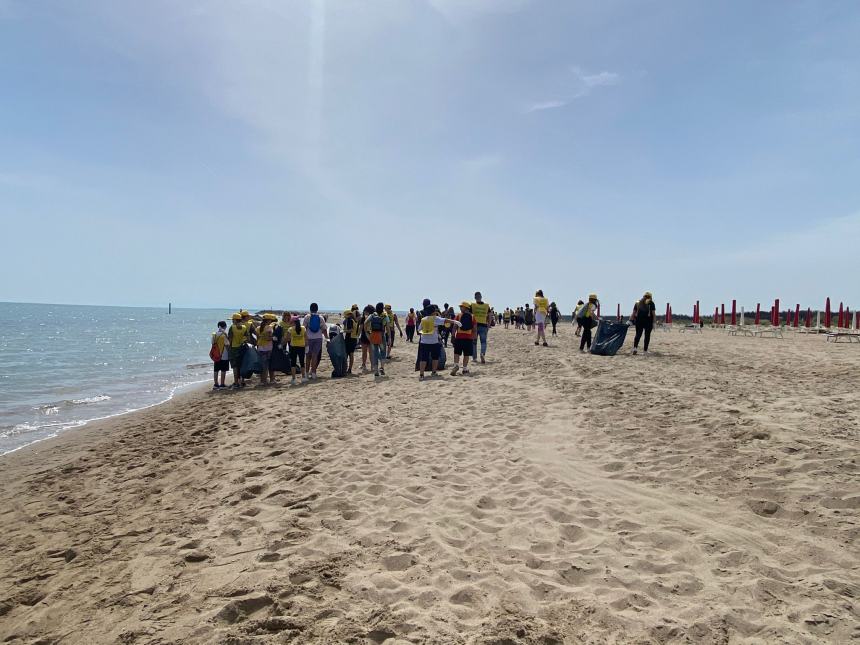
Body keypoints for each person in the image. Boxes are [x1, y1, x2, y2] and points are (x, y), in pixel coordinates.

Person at [417, 304, 460, 380]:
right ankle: (433, 372)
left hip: (424, 342)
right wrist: (455, 321)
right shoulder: (435, 318)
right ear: (434, 312)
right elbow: (445, 320)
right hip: (434, 342)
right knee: (435, 357)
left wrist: (426, 331)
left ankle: (421, 374)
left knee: (423, 359)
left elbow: (419, 329)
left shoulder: (423, 319)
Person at [303, 303, 328, 380]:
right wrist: (327, 338)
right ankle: (313, 373)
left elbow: (303, 328)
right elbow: (324, 329)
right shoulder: (320, 317)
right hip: (318, 339)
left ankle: (306, 374)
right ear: (317, 309)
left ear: (310, 309)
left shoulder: (307, 317)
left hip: (308, 339)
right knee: (315, 356)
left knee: (308, 357)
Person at [227, 313, 251, 388]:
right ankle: (242, 381)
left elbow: (230, 340)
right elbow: (248, 338)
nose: (232, 321)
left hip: (233, 348)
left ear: (235, 320)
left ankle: (236, 382)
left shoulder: (232, 328)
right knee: (241, 365)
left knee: (235, 366)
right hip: (242, 348)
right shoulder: (244, 327)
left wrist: (228, 348)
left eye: (232, 320)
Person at [451, 301, 475, 375]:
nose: (460, 308)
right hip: (468, 338)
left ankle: (456, 365)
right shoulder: (472, 317)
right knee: (466, 354)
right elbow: (474, 328)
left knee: (457, 353)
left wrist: (452, 336)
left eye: (461, 306)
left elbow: (455, 327)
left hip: (459, 337)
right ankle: (464, 369)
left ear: (466, 308)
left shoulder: (458, 316)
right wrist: (474, 338)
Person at [364, 303, 387, 377]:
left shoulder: (372, 315)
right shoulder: (384, 316)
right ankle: (382, 368)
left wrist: (367, 333)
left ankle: (376, 371)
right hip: (381, 336)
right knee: (383, 352)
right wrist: (389, 337)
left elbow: (365, 323)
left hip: (373, 336)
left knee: (375, 353)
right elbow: (388, 327)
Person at [256, 313, 277, 385]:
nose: (271, 321)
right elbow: (268, 338)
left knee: (262, 365)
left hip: (260, 347)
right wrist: (274, 338)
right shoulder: (269, 328)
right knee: (269, 365)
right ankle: (270, 380)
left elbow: (258, 337)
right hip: (268, 348)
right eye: (270, 320)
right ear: (268, 320)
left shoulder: (259, 328)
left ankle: (262, 381)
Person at [286, 314, 307, 384]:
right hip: (302, 347)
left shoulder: (290, 329)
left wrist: (282, 343)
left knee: (293, 363)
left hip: (293, 347)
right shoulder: (303, 328)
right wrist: (306, 346)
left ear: (293, 322)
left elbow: (287, 339)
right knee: (302, 362)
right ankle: (303, 377)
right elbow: (306, 338)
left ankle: (294, 378)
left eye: (291, 322)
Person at [471, 291, 491, 363]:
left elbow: (469, 315)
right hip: (483, 325)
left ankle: (474, 358)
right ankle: (482, 353)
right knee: (483, 342)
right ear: (481, 297)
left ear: (475, 297)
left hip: (474, 326)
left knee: (474, 342)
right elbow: (489, 316)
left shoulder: (472, 305)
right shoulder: (486, 306)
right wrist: (488, 325)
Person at [211, 321, 230, 388]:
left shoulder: (214, 334)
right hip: (224, 355)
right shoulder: (224, 335)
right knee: (223, 370)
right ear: (224, 326)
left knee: (216, 370)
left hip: (216, 355)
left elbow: (213, 343)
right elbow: (227, 345)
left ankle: (216, 384)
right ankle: (222, 384)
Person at [342, 309, 359, 374]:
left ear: (348, 315)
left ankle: (345, 368)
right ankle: (349, 369)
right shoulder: (354, 320)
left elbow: (351, 330)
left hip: (349, 338)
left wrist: (344, 331)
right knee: (351, 354)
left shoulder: (349, 320)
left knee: (346, 354)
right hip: (354, 339)